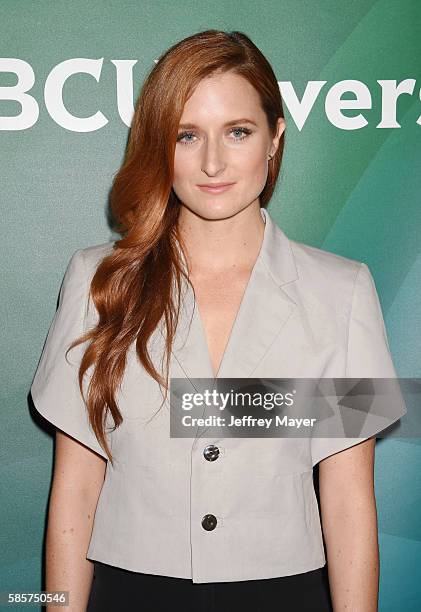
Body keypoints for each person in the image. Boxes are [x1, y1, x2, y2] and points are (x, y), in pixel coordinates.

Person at [30, 30, 405, 612]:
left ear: (275, 138)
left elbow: (350, 500)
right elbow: (76, 490)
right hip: (126, 594)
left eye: (238, 131)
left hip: (287, 596)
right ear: (160, 146)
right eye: (186, 135)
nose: (212, 162)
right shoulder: (99, 282)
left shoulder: (342, 293)